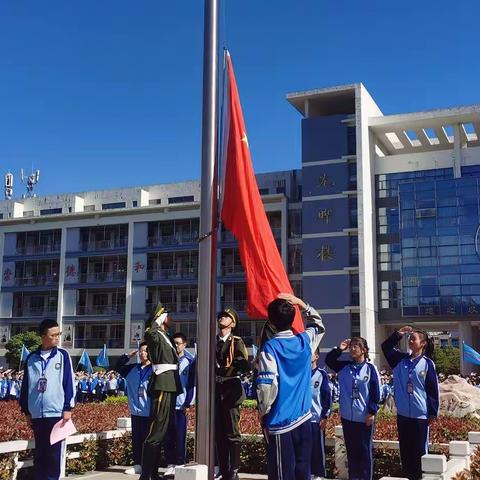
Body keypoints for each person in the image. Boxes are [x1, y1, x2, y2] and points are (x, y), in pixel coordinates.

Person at [256, 293, 325, 480]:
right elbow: (318, 325)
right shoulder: (304, 341)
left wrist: (263, 413)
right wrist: (302, 304)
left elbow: (267, 386)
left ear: (270, 321)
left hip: (280, 423)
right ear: (293, 318)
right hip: (304, 419)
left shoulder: (270, 348)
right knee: (303, 472)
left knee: (281, 474)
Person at [19, 318, 75, 480]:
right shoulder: (31, 359)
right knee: (40, 454)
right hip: (37, 414)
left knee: (54, 455)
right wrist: (26, 411)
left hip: (56, 414)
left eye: (59, 334)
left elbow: (69, 383)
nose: (58, 338)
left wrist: (68, 408)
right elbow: (26, 386)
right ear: (43, 336)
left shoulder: (63, 356)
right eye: (54, 335)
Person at [382, 326, 439, 480]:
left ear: (423, 343)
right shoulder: (399, 360)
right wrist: (398, 334)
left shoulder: (427, 364)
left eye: (414, 338)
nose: (410, 340)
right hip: (403, 415)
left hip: (421, 416)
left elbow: (433, 390)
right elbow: (385, 347)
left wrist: (433, 412)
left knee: (420, 452)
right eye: (409, 338)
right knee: (405, 451)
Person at [325, 337, 381, 480]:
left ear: (364, 350)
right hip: (348, 418)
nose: (352, 348)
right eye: (351, 346)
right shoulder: (345, 367)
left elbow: (376, 392)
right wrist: (340, 349)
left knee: (364, 452)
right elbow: (329, 361)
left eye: (356, 346)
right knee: (352, 451)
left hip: (364, 418)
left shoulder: (370, 368)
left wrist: (371, 412)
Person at [140, 304, 182, 480]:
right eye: (167, 315)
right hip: (163, 384)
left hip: (170, 383)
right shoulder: (155, 334)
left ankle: (153, 473)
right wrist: (154, 324)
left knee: (162, 430)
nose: (170, 318)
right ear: (161, 317)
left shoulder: (166, 335)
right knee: (156, 430)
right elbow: (149, 334)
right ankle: (146, 474)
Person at [215, 307, 251, 480]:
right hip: (216, 390)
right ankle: (222, 469)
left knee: (232, 433)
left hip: (231, 389)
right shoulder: (211, 340)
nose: (222, 318)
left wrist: (243, 365)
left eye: (226, 316)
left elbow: (242, 362)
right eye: (221, 316)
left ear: (233, 323)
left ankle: (233, 470)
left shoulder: (236, 341)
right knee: (219, 434)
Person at [116, 342, 153, 476]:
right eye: (141, 350)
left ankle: (148, 466)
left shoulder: (155, 369)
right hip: (135, 411)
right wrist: (126, 356)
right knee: (137, 439)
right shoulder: (132, 368)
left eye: (145, 351)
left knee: (148, 440)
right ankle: (137, 464)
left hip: (149, 411)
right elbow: (118, 367)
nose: (143, 353)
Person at [164, 332, 196, 477]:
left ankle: (179, 462)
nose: (176, 345)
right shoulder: (168, 360)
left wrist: (188, 403)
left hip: (181, 405)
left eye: (178, 343)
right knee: (168, 436)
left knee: (179, 436)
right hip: (167, 405)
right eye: (174, 343)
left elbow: (191, 384)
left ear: (184, 344)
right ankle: (170, 463)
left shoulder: (190, 361)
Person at [310, 350, 331, 480]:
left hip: (316, 418)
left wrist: (324, 416)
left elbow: (326, 397)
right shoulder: (300, 374)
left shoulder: (322, 374)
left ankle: (319, 474)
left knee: (318, 449)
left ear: (317, 356)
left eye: (311, 353)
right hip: (301, 419)